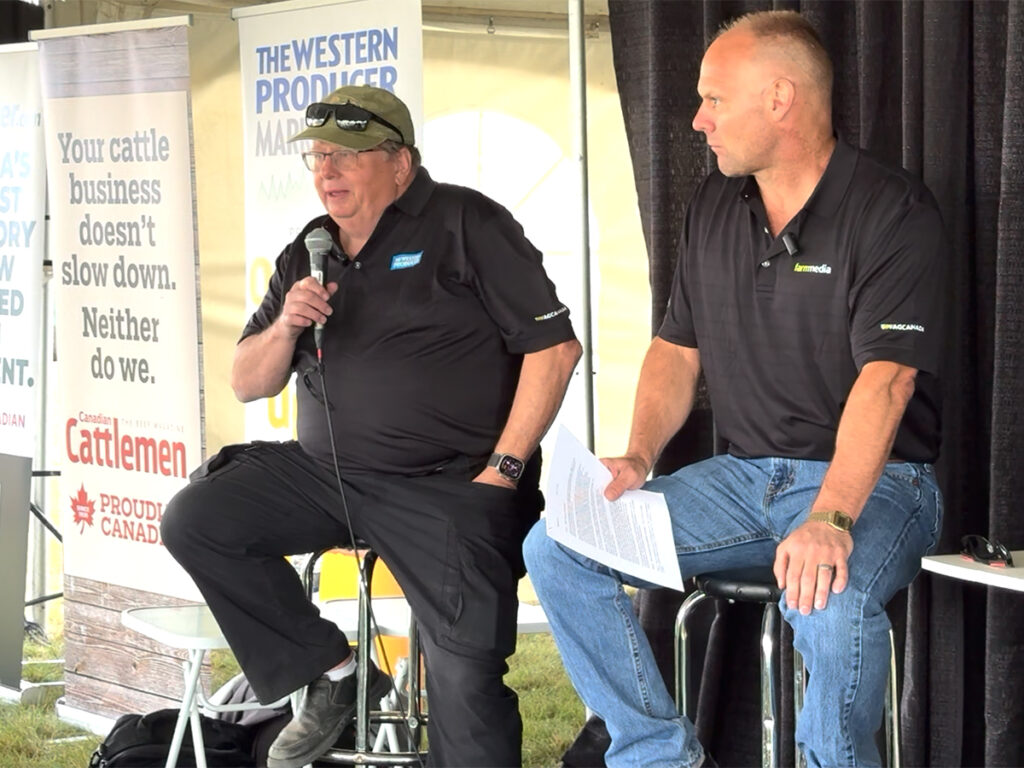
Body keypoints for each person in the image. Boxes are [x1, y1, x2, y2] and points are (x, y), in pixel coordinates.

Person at [524, 10, 946, 768]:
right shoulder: (715, 204)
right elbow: (675, 349)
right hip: (742, 481)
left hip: (878, 483)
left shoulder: (892, 209)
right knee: (557, 544)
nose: (698, 119)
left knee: (828, 597)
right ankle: (660, 757)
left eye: (714, 99)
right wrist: (638, 456)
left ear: (780, 99)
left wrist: (831, 516)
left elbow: (889, 379)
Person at [161, 84, 582, 768]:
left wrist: (502, 470)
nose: (327, 171)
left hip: (446, 485)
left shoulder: (466, 223)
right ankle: (335, 672)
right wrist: (286, 324)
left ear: (400, 163)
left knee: (463, 677)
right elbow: (247, 382)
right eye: (318, 156)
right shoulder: (310, 248)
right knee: (199, 518)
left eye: (347, 155)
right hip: (325, 475)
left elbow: (554, 349)